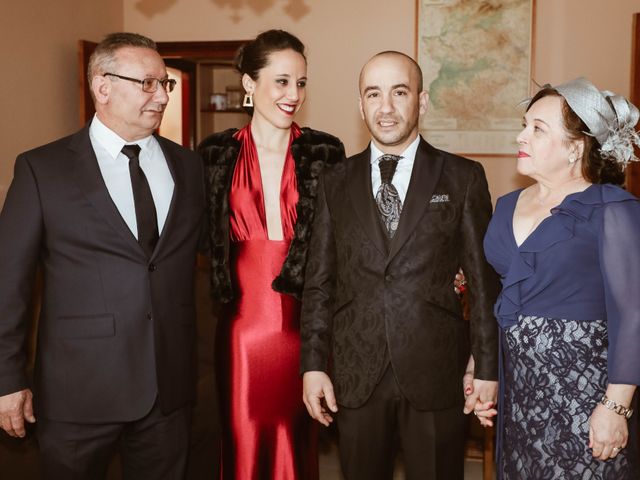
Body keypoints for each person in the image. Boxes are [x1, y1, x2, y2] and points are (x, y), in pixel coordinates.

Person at [0, 32, 205, 479]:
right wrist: (7, 379)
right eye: (148, 83)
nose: (162, 95)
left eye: (165, 83)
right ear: (103, 86)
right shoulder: (42, 169)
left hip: (168, 389)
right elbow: (8, 282)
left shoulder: (188, 167)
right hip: (79, 390)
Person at [300, 50, 500, 480]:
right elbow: (320, 282)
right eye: (373, 94)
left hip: (436, 370)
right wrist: (313, 365)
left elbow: (484, 284)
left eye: (399, 92)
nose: (385, 107)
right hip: (356, 371)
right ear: (360, 105)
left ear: (422, 102)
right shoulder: (334, 181)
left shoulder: (462, 177)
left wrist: (486, 367)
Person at [197, 30, 345, 480]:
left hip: (308, 326)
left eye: (301, 83)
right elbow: (197, 239)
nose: (293, 94)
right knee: (242, 438)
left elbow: (343, 241)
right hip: (243, 327)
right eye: (281, 82)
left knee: (298, 442)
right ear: (248, 83)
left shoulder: (326, 151)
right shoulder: (214, 154)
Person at [483, 77, 640, 478]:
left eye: (538, 129)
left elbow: (633, 312)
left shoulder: (612, 209)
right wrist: (480, 367)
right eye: (524, 124)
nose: (522, 135)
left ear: (575, 147)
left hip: (583, 396)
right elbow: (500, 296)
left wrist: (616, 405)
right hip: (521, 397)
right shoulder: (505, 206)